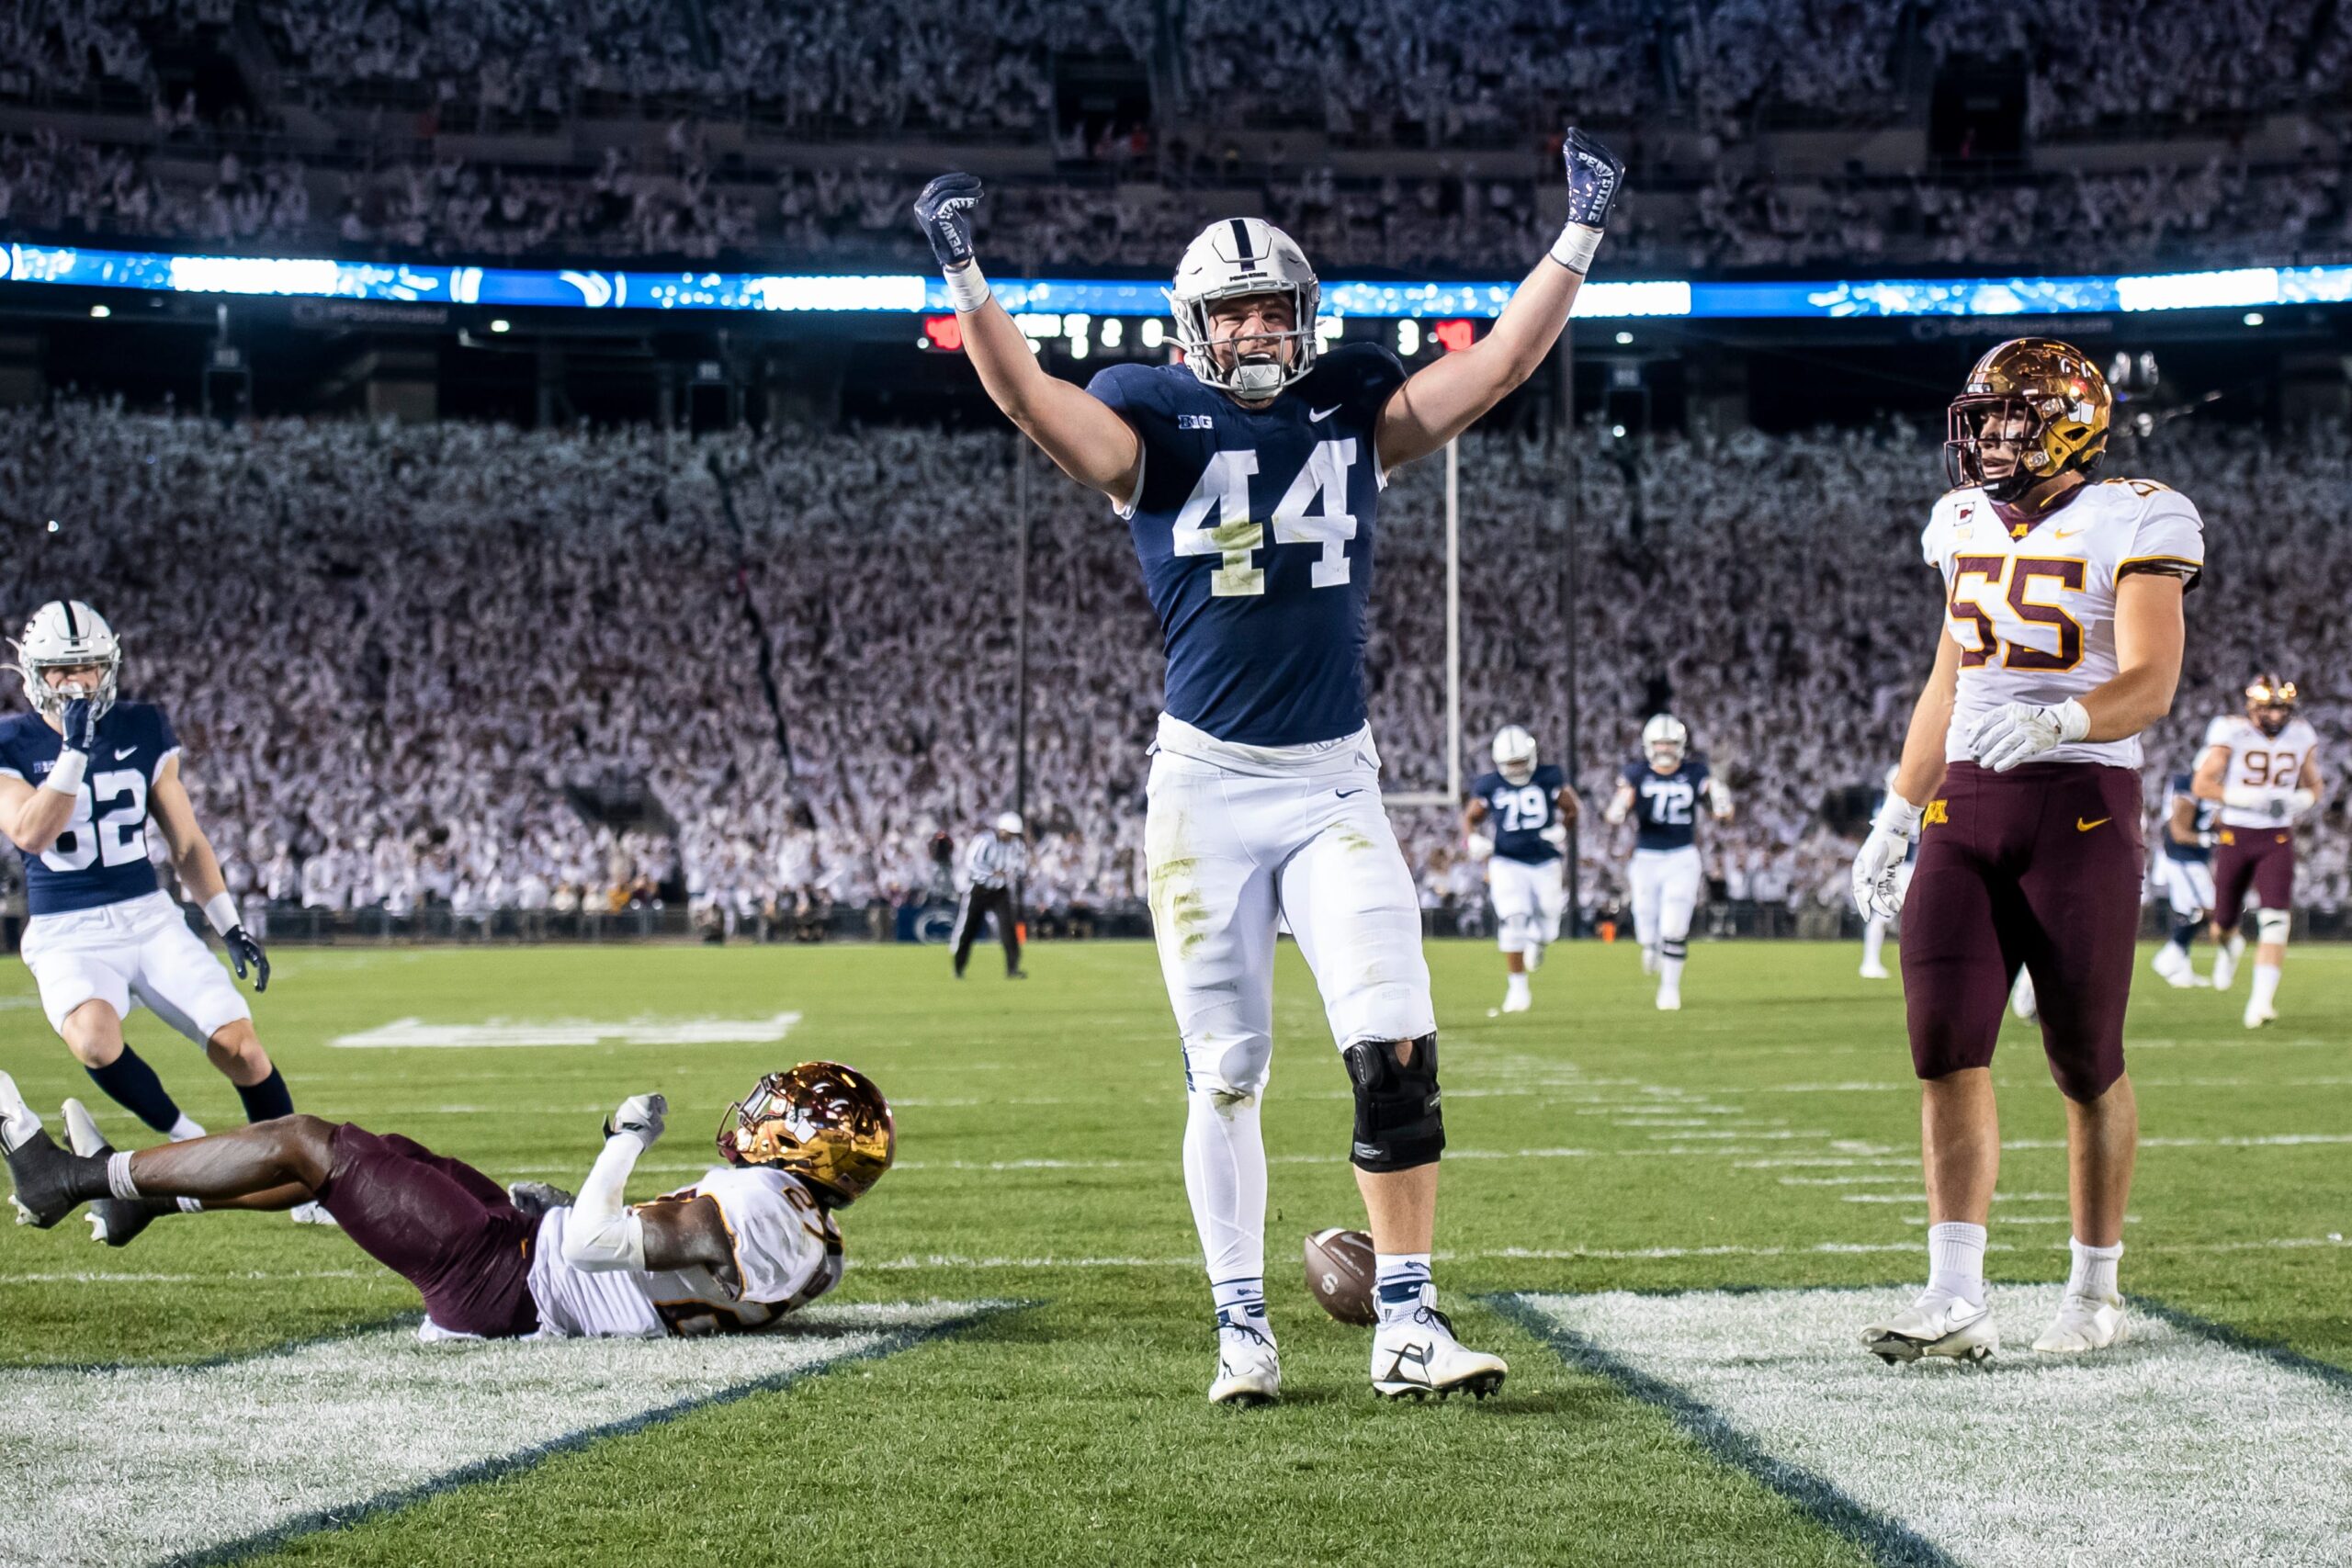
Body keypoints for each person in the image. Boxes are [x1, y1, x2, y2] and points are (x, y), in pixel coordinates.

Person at [912, 127, 1623, 1404]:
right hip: (1205, 788)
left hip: (1336, 781)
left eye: (1271, 311)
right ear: (1192, 326)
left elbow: (1505, 366)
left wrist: (1579, 233)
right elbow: (1027, 400)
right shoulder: (1148, 419)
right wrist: (967, 278)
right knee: (1230, 1066)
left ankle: (1406, 1322)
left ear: (1306, 316)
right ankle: (1242, 1323)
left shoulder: (1352, 401)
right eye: (1231, 315)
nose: (1253, 334)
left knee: (1396, 1039)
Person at [1852, 338, 2203, 1363]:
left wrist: (2062, 723)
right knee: (1943, 1041)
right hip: (1967, 798)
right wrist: (1896, 808)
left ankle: (2093, 1291)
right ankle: (1954, 1296)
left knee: (2084, 1060)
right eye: (1984, 418)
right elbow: (1945, 681)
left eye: (2010, 417)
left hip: (2080, 802)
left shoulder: (2136, 512)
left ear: (2072, 421)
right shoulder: (1960, 520)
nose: (1989, 437)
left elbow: (2150, 680)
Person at [0, 1062, 892, 1341]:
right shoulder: (814, 1238)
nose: (755, 1115)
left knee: (310, 1142)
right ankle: (148, 1202)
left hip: (515, 1283)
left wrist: (624, 1141)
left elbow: (592, 1247)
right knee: (380, 1155)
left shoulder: (759, 1204)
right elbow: (683, 1266)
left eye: (777, 1112)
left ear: (804, 1141)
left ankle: (72, 1178)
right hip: (528, 1256)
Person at [0, 604, 318, 1217]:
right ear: (36, 674)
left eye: (90, 666)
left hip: (148, 914)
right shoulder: (12, 740)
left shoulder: (142, 725)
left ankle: (301, 1181)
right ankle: (184, 1137)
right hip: (68, 928)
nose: (80, 682)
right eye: (66, 669)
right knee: (93, 1039)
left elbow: (187, 840)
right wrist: (74, 750)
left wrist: (229, 922)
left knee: (243, 1048)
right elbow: (30, 832)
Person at [2194, 672, 2324, 1026]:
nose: (2276, 716)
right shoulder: (2230, 732)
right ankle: (2229, 947)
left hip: (2276, 837)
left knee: (2276, 920)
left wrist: (2299, 800)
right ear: (2252, 707)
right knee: (2222, 924)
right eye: (2269, 708)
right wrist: (2241, 798)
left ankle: (2261, 1001)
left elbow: (2315, 785)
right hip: (2236, 833)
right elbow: (2201, 783)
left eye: (2282, 708)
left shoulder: (2301, 735)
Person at [1602, 714, 1733, 1010]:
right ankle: (1649, 945)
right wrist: (1618, 807)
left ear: (1680, 745)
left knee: (1675, 923)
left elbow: (1719, 808)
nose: (1664, 749)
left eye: (1669, 743)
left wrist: (1722, 802)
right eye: (1659, 743)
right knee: (1645, 916)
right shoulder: (1636, 773)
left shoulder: (1695, 772)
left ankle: (1670, 988)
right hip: (1646, 856)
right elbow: (1620, 804)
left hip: (1682, 855)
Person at [1463, 725, 1580, 1015]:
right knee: (1513, 917)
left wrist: (1561, 830)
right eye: (1510, 764)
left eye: (1519, 762)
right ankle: (1517, 989)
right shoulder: (1489, 785)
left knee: (1550, 924)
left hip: (1545, 861)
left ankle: (1539, 942)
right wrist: (1473, 839)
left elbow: (1572, 809)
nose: (1516, 770)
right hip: (1507, 860)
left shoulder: (1548, 777)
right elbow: (1471, 817)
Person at [2148, 765, 2220, 988]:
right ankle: (2170, 955)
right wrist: (2212, 840)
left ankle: (2180, 969)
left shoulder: (2210, 787)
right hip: (2182, 857)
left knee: (2187, 911)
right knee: (2205, 908)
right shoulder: (2187, 784)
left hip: (2190, 858)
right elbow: (2178, 832)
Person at [951, 811, 1027, 979]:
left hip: (999, 891)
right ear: (1002, 830)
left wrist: (1014, 872)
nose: (1012, 837)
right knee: (969, 929)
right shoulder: (985, 841)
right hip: (979, 890)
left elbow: (1022, 866)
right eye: (1010, 833)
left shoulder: (1016, 845)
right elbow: (972, 863)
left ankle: (1013, 968)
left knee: (1008, 929)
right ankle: (958, 967)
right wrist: (992, 873)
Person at [1859, 765, 1917, 979]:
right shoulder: (1891, 807)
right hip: (1896, 865)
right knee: (1884, 914)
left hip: (1907, 864)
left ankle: (1872, 962)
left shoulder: (1892, 805)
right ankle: (1869, 962)